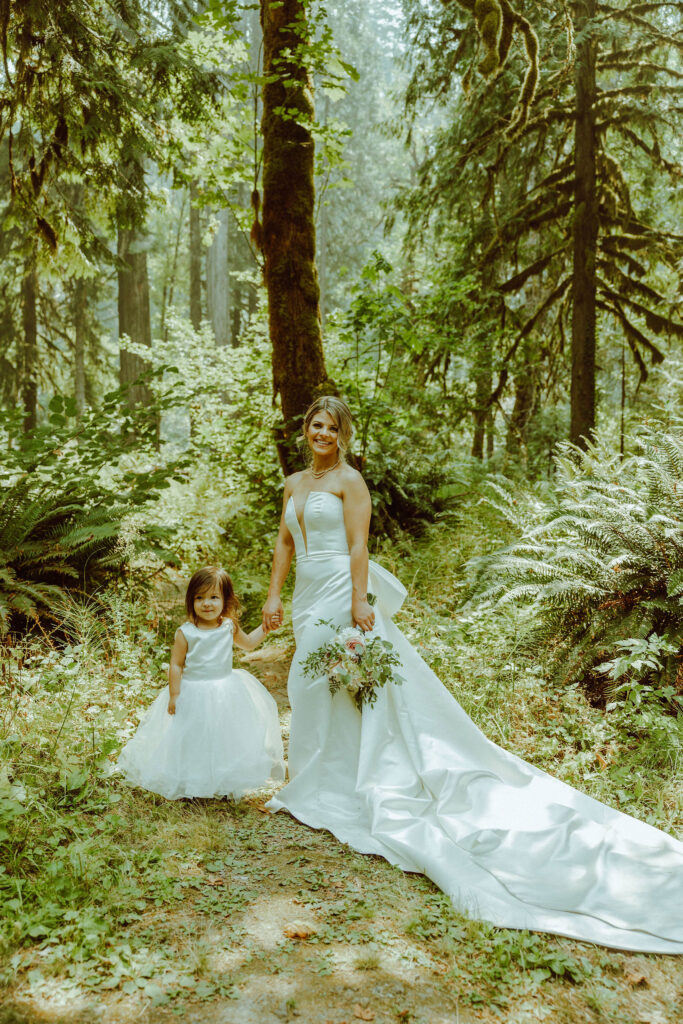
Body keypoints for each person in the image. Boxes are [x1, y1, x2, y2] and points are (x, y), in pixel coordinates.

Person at [262, 396, 683, 953]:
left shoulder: (351, 481)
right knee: (310, 682)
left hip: (340, 588)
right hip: (304, 593)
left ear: (342, 434)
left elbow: (360, 543)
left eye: (331, 426)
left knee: (330, 680)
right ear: (306, 430)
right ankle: (313, 778)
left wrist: (361, 602)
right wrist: (272, 595)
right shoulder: (293, 483)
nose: (321, 432)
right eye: (315, 423)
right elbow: (285, 543)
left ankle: (332, 781)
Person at [118, 566, 284, 800]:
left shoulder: (229, 626)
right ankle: (192, 780)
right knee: (193, 736)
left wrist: (265, 628)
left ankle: (223, 780)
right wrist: (175, 694)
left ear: (225, 600)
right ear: (191, 601)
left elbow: (248, 644)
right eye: (200, 598)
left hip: (225, 690)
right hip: (194, 691)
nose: (207, 604)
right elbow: (176, 664)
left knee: (223, 736)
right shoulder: (186, 632)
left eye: (214, 597)